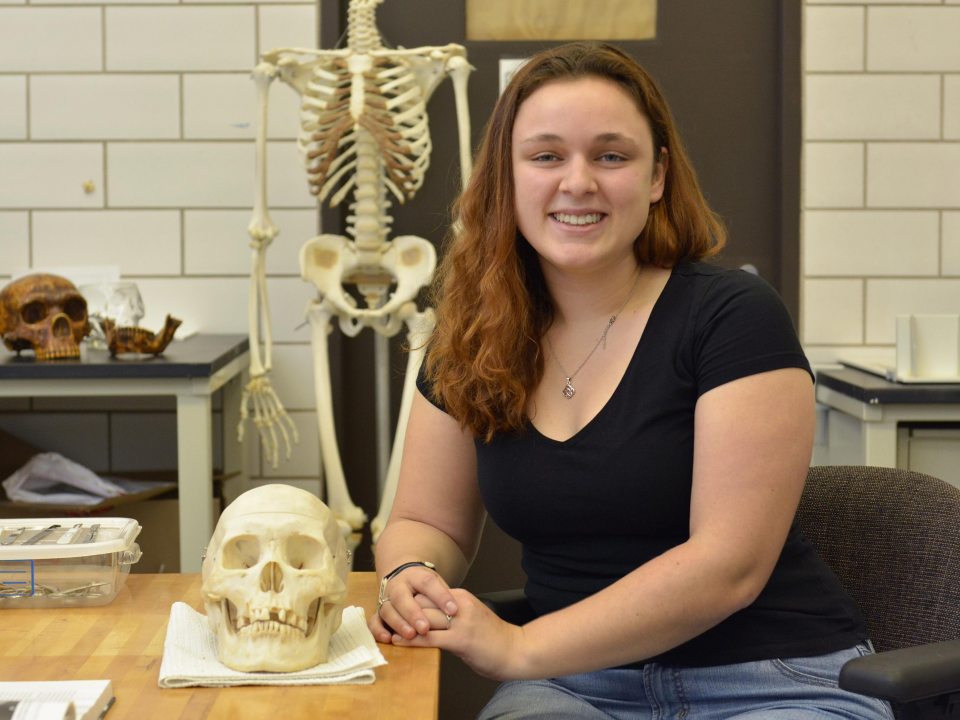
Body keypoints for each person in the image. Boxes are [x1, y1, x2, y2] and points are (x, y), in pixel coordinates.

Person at [369, 41, 893, 720]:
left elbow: (727, 566)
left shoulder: (733, 316)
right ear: (506, 176)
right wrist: (412, 573)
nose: (578, 181)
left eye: (611, 156)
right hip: (572, 686)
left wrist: (520, 649)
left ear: (656, 177)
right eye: (547, 155)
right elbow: (422, 520)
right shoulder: (471, 335)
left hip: (772, 679)